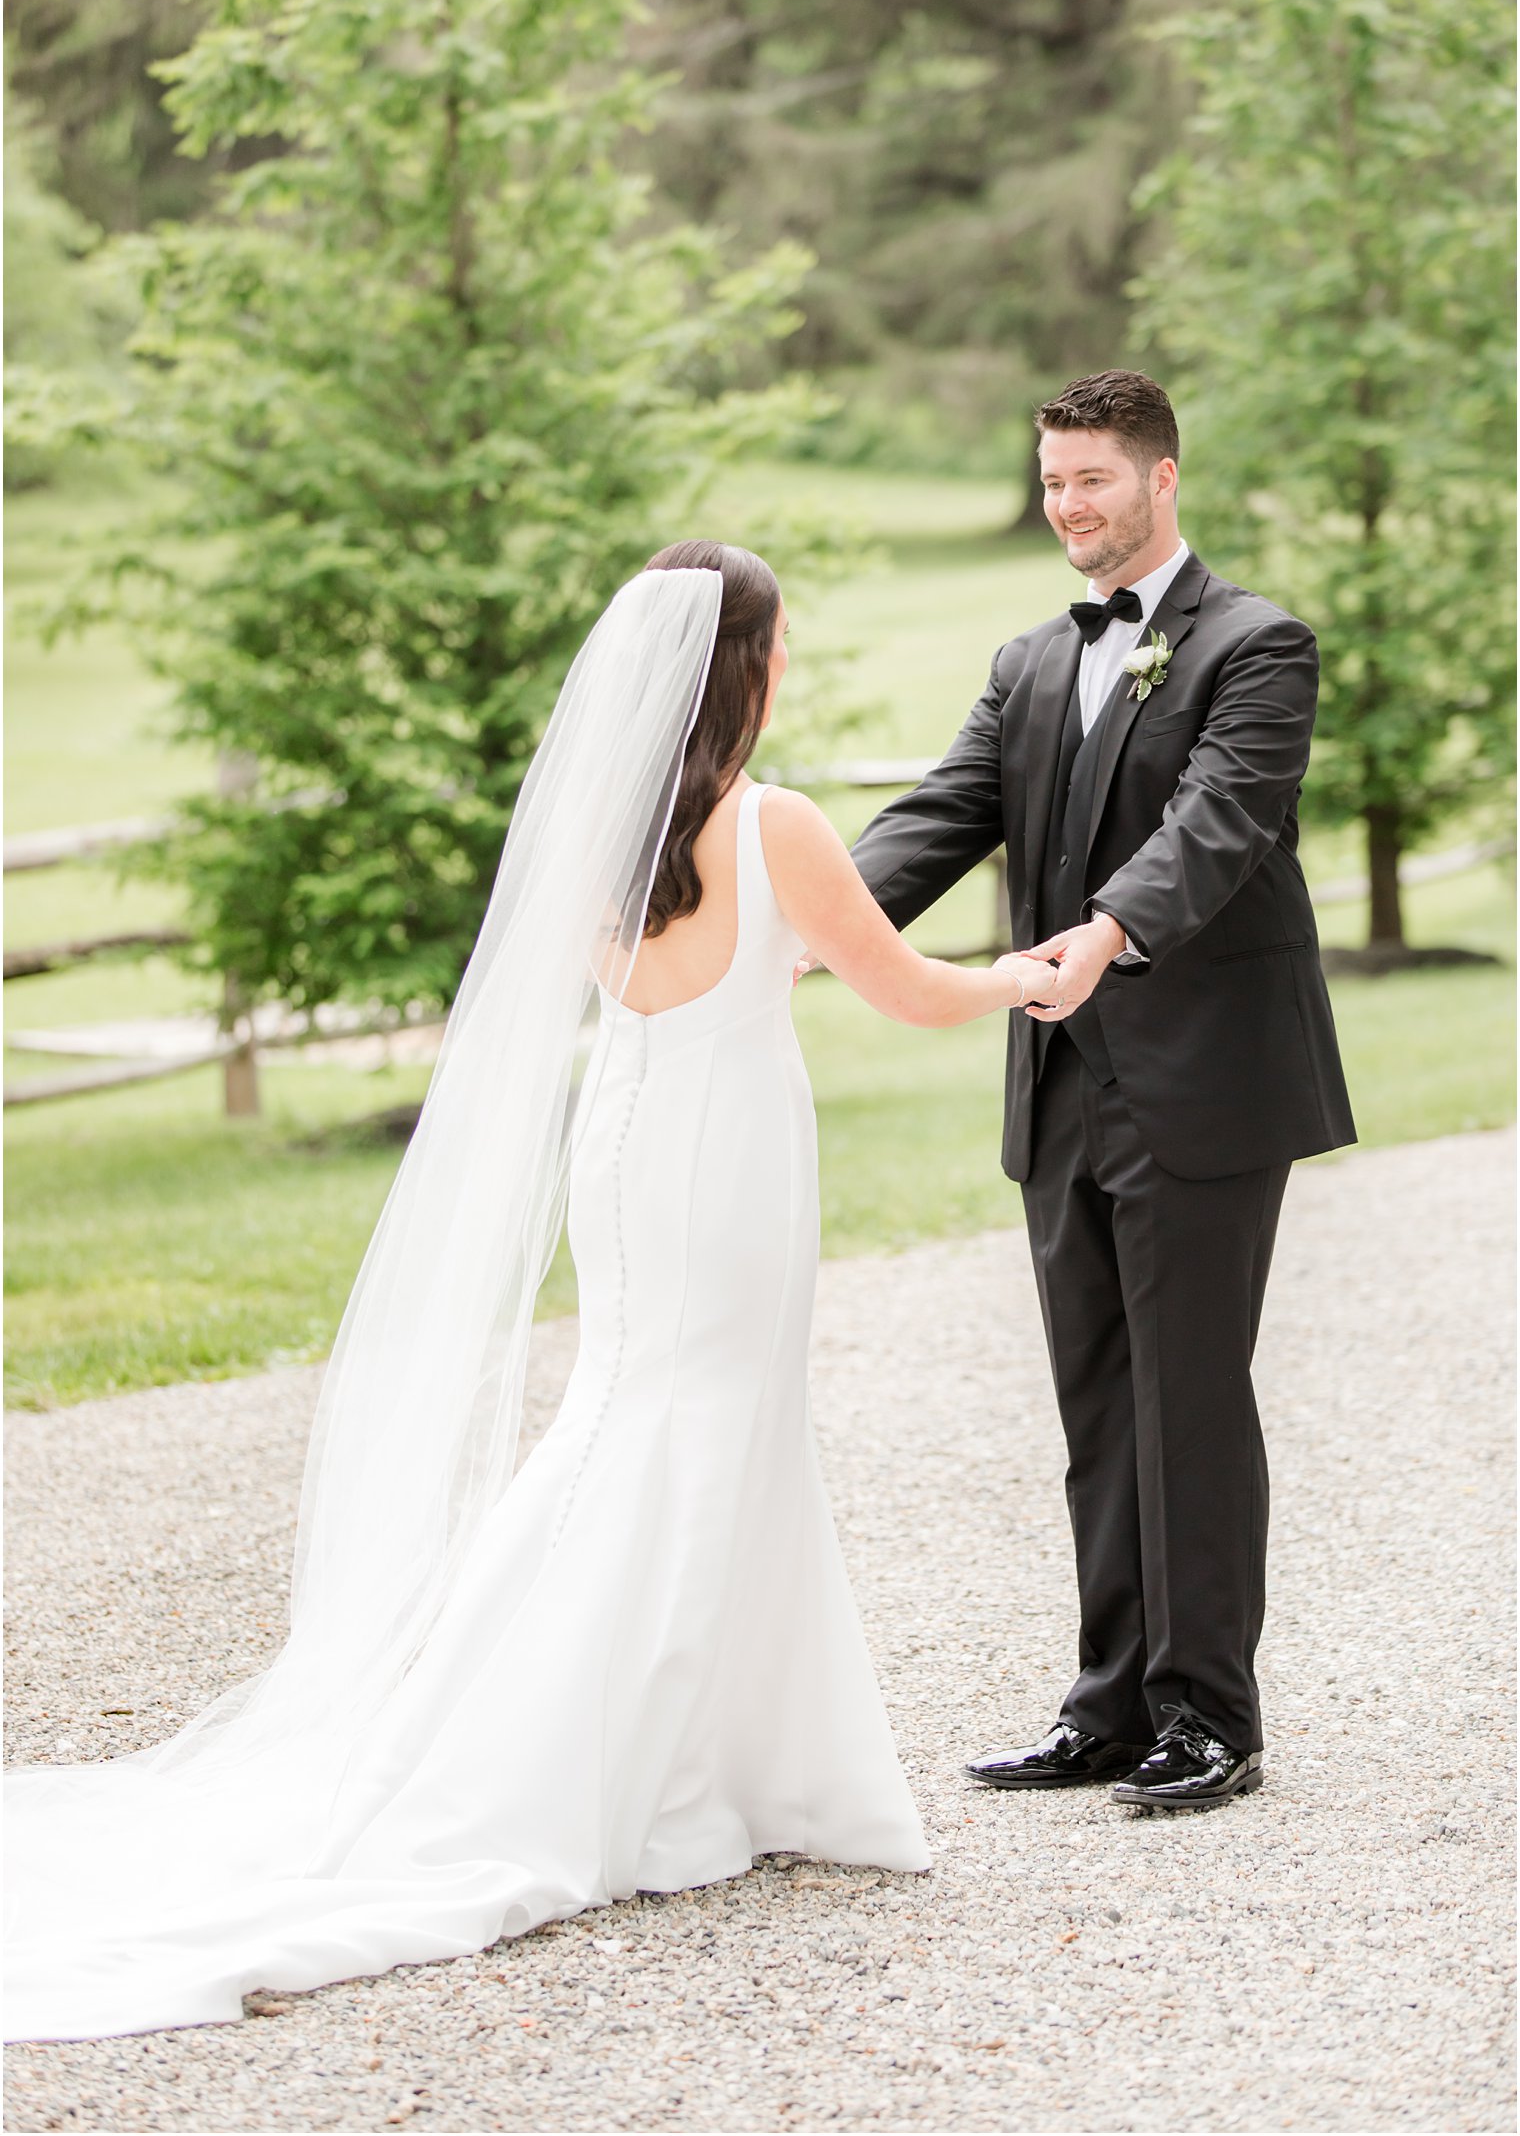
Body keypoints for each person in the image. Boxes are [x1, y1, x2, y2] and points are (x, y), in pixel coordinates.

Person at [4, 542, 1058, 2044]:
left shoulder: (605, 828)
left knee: (637, 1411)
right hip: (730, 1154)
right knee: (700, 1422)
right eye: (777, 652)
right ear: (743, 673)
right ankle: (636, 1761)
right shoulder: (778, 824)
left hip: (626, 1142)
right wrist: (1023, 975)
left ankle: (706, 1754)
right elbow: (897, 981)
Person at [852, 371, 1355, 1811]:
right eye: (1054, 479)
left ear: (1163, 479)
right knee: (1096, 1398)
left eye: (1096, 480)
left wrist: (1110, 928)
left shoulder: (1258, 646)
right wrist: (796, 921)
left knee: (1188, 1393)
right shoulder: (1025, 664)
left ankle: (1211, 1715)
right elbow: (942, 816)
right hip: (1061, 1075)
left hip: (1202, 1081)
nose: (1070, 504)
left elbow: (1220, 820)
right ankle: (1112, 1705)